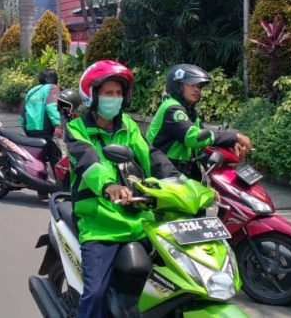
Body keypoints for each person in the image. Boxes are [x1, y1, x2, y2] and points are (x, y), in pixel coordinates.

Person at [66, 60, 180, 318]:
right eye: (108, 93)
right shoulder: (77, 129)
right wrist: (109, 186)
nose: (114, 98)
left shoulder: (128, 125)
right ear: (93, 96)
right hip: (99, 224)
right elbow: (88, 162)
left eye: (118, 93)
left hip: (139, 218)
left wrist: (182, 183)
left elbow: (151, 156)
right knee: (95, 294)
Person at [145, 64, 251, 176]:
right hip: (160, 170)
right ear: (178, 86)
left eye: (199, 86)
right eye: (192, 85)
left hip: (176, 169)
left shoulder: (188, 111)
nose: (197, 90)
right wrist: (234, 137)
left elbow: (205, 135)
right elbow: (194, 137)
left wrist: (231, 143)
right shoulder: (172, 109)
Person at [22, 70, 63, 201]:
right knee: (56, 159)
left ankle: (42, 192)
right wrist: (58, 124)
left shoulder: (32, 91)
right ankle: (60, 190)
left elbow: (23, 113)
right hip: (45, 129)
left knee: (38, 159)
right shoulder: (52, 88)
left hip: (30, 129)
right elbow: (51, 107)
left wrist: (25, 128)